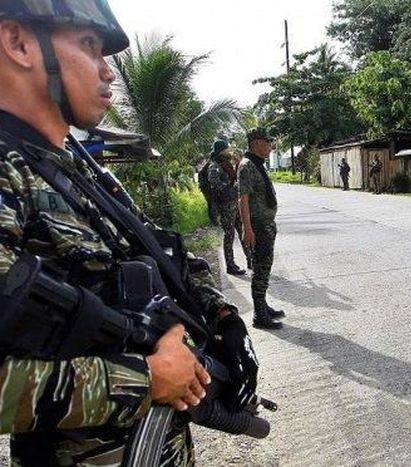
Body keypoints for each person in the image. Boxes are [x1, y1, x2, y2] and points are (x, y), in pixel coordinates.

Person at [0, 2, 256, 464]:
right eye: (89, 46)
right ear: (18, 43)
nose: (108, 72)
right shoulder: (7, 175)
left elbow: (157, 256)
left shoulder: (81, 167)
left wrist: (221, 317)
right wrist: (146, 378)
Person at [238, 128, 285, 330]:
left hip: (265, 224)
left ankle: (263, 305)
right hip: (257, 225)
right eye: (267, 142)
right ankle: (259, 315)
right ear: (256, 143)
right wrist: (247, 229)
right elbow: (243, 198)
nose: (270, 146)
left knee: (264, 268)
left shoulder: (257, 164)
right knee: (260, 268)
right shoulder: (247, 165)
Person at [209, 139, 246, 275]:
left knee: (242, 231)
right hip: (225, 206)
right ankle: (230, 266)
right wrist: (231, 188)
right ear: (220, 150)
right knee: (229, 236)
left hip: (235, 204)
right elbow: (215, 184)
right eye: (226, 149)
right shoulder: (214, 166)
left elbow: (235, 177)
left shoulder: (228, 163)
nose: (228, 151)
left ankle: (251, 260)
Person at [198, 157, 219, 225]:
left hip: (205, 187)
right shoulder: (211, 165)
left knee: (210, 203)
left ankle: (213, 220)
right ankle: (214, 221)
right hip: (206, 187)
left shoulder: (207, 165)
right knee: (212, 203)